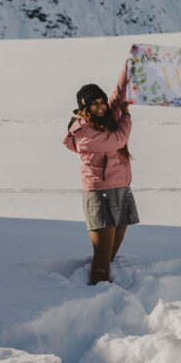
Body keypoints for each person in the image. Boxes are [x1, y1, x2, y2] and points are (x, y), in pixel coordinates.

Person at [63, 63, 138, 285]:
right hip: (99, 194)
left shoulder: (108, 117)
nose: (100, 107)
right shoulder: (82, 132)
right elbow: (118, 140)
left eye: (101, 102)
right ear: (83, 108)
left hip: (121, 189)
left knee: (112, 251)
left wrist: (130, 62)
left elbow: (119, 92)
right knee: (103, 252)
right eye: (93, 104)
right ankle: (97, 292)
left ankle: (105, 287)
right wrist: (125, 115)